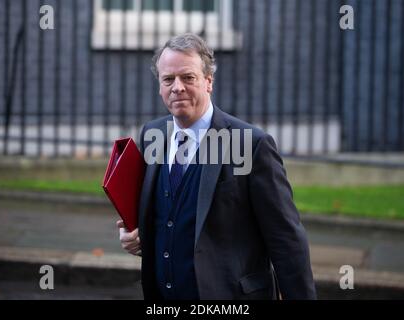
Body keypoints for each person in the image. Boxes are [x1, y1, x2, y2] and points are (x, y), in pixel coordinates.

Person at [117, 33, 316, 300]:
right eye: (168, 79)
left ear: (208, 81)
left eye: (188, 77)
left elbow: (286, 239)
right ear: (160, 86)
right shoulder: (152, 134)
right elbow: (164, 218)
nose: (177, 87)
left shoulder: (251, 144)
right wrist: (135, 236)